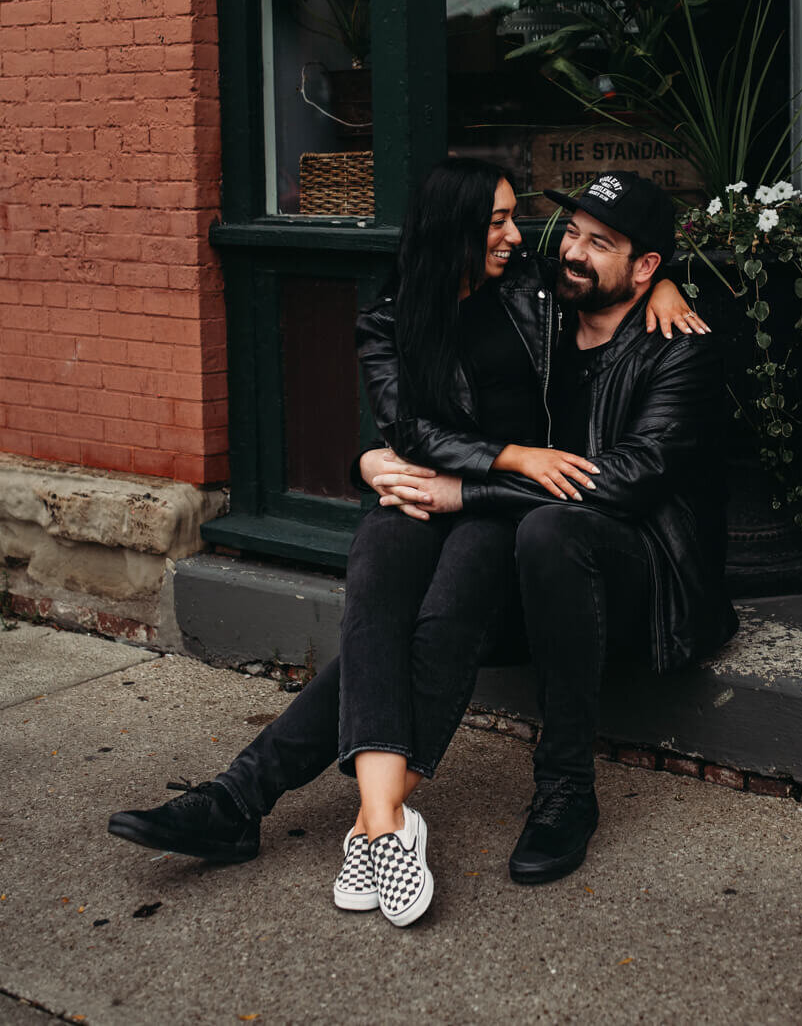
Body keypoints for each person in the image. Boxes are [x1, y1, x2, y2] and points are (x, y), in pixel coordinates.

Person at [108, 159, 699, 922]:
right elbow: (411, 432)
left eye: (519, 221)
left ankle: (287, 807)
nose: (525, 239)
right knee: (379, 571)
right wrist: (374, 464)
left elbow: (614, 289)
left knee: (445, 609)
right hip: (464, 493)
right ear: (452, 231)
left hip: (512, 517)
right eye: (499, 223)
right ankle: (362, 820)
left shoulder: (534, 287)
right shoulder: (395, 317)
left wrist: (668, 284)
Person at [371, 170, 738, 884]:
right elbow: (419, 309)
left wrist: (469, 494)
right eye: (570, 232)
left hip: (643, 580)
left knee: (552, 530)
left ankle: (566, 785)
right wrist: (371, 461)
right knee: (397, 565)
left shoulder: (681, 349)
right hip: (535, 577)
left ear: (646, 267)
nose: (573, 252)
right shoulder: (539, 313)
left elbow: (626, 481)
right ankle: (251, 790)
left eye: (601, 244)